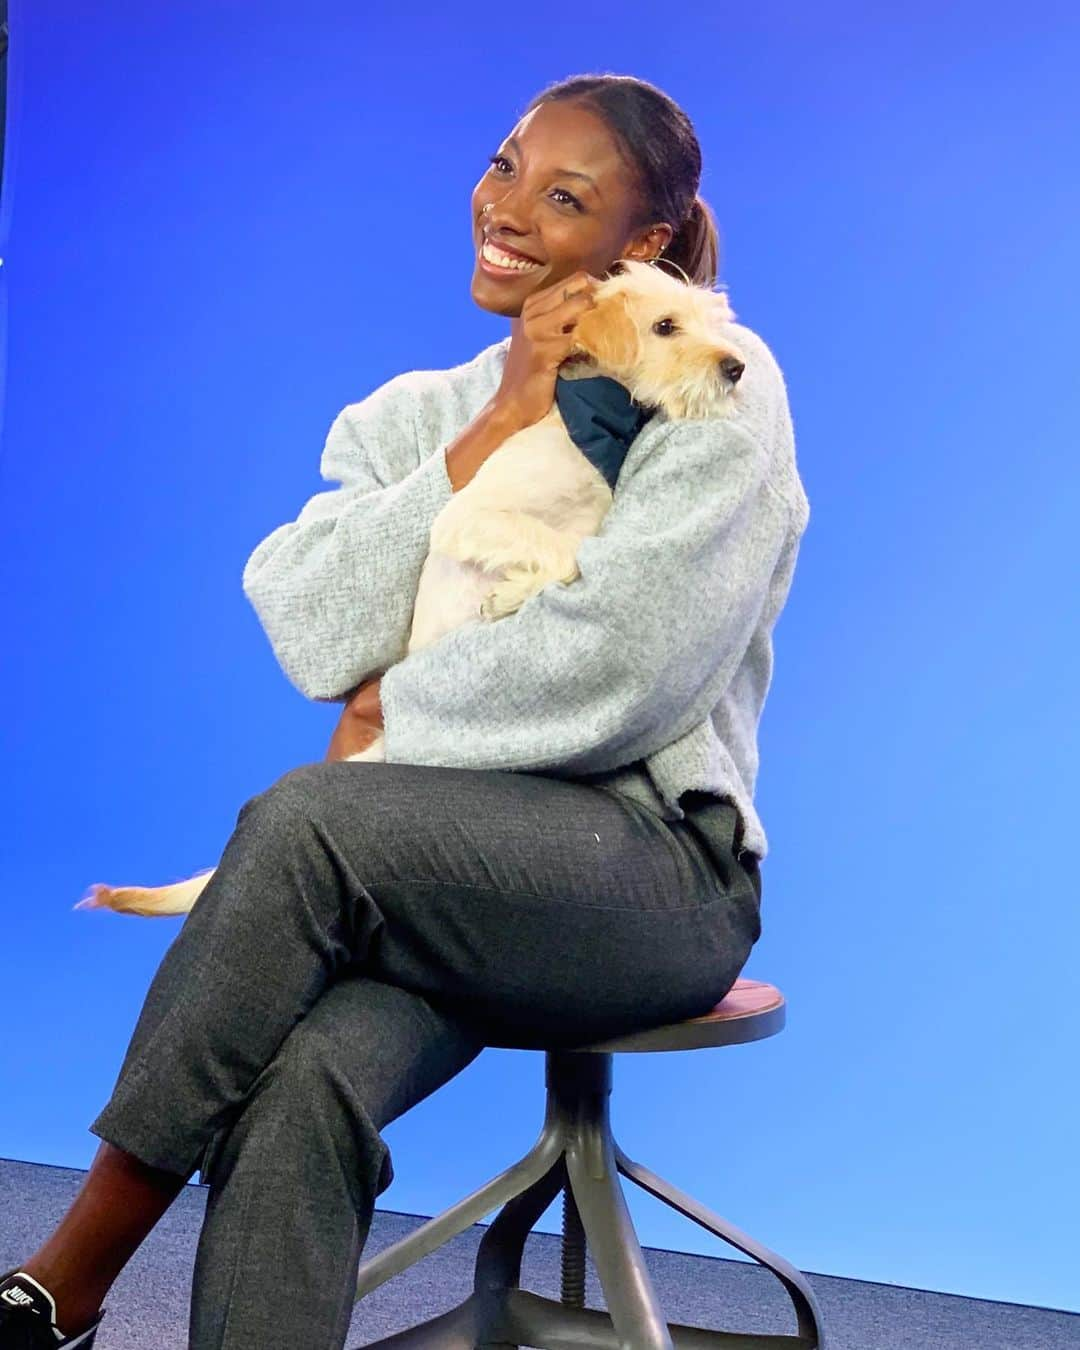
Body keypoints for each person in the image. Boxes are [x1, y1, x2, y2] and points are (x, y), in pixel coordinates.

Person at [0, 73, 808, 1350]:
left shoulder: (711, 379)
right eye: (502, 169)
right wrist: (492, 429)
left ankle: (66, 1280)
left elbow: (626, 670)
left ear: (643, 243)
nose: (507, 209)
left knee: (314, 821)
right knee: (298, 1086)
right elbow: (311, 625)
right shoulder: (411, 417)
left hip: (653, 873)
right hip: (433, 875)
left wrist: (396, 717)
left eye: (565, 196)